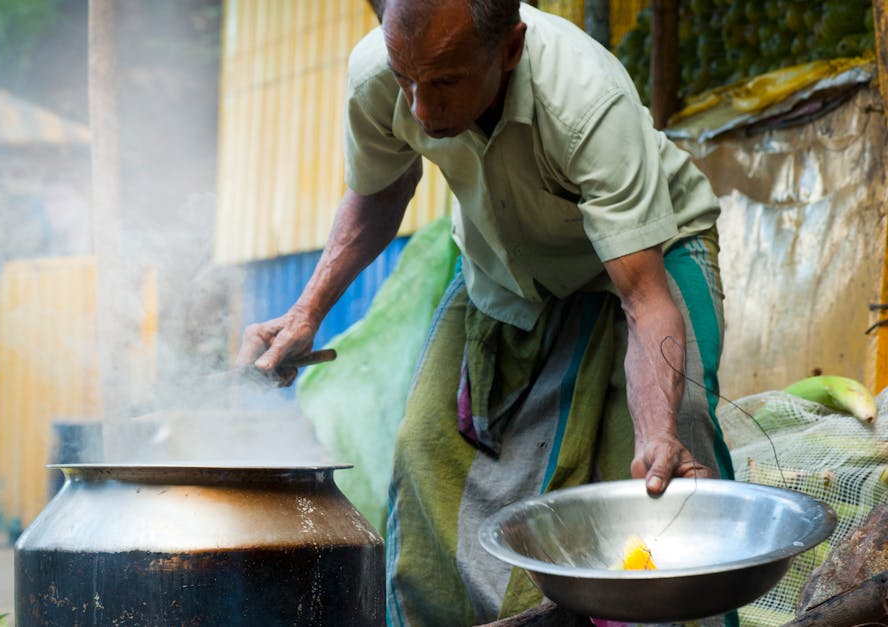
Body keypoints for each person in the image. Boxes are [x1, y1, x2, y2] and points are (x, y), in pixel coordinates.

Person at [237, 0, 735, 624]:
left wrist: (657, 431)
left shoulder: (586, 102)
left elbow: (643, 300)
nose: (420, 107)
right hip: (505, 264)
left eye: (444, 82)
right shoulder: (378, 74)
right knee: (424, 445)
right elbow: (382, 190)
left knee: (670, 453)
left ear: (509, 49)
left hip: (652, 256)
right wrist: (307, 311)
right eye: (406, 80)